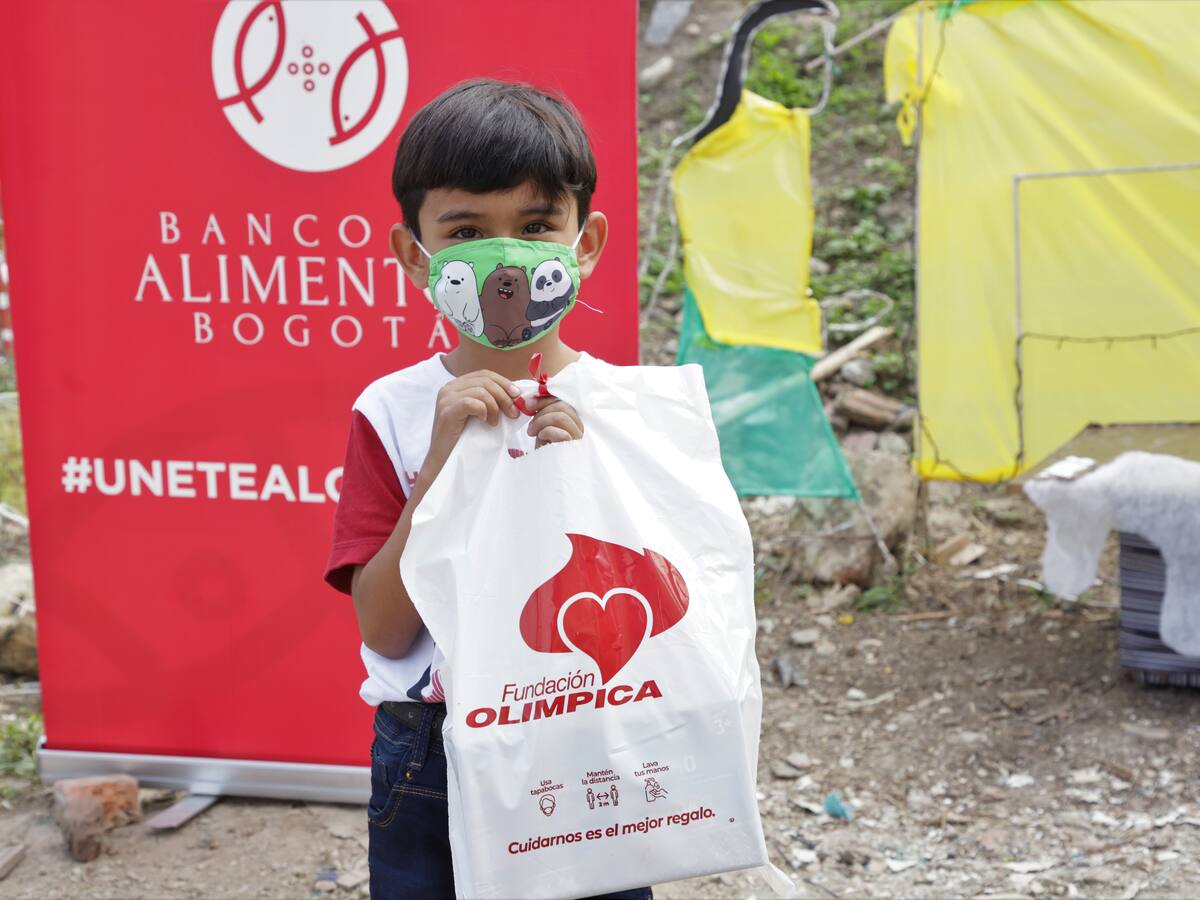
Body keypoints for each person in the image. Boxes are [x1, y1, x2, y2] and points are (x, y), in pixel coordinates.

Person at [323, 78, 652, 900]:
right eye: (467, 231)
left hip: (590, 741)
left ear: (585, 242)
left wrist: (582, 478)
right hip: (433, 752)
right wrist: (442, 470)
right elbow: (386, 631)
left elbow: (662, 609)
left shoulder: (630, 413)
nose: (506, 258)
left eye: (536, 226)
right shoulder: (393, 414)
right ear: (415, 255)